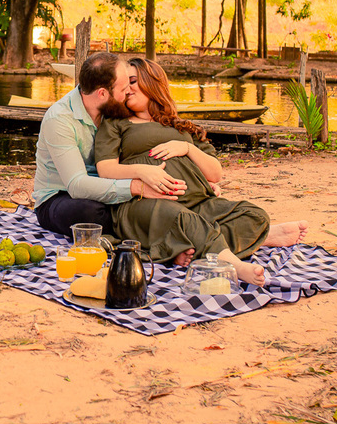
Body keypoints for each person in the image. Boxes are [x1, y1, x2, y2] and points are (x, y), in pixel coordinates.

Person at [94, 58, 309, 286]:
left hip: (197, 201)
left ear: (151, 81)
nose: (127, 89)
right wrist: (143, 171)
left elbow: (215, 174)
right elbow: (105, 169)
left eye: (132, 81)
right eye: (123, 85)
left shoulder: (179, 126)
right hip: (143, 204)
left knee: (254, 215)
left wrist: (186, 148)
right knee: (183, 219)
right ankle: (233, 265)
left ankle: (181, 247)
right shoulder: (116, 123)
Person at [32, 52, 185, 238]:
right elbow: (77, 185)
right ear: (102, 93)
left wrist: (197, 176)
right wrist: (136, 187)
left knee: (157, 201)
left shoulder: (113, 107)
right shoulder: (59, 120)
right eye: (124, 88)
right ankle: (145, 234)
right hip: (62, 196)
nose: (128, 91)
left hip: (111, 185)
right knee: (91, 213)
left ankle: (152, 231)